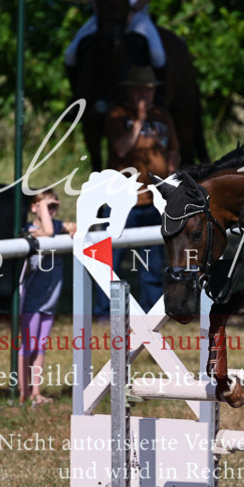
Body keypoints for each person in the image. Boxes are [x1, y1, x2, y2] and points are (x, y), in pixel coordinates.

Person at [95, 64, 179, 314]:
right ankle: (103, 312)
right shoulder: (117, 115)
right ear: (129, 91)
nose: (146, 95)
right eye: (141, 90)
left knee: (152, 262)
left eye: (150, 90)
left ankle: (151, 313)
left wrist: (173, 185)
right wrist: (140, 119)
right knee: (111, 259)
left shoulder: (163, 116)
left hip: (154, 200)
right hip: (121, 201)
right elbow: (121, 148)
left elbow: (172, 151)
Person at [18, 189, 76, 407]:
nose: (51, 210)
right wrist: (44, 210)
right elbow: (49, 231)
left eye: (54, 207)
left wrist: (72, 228)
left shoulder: (56, 227)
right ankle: (22, 391)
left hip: (50, 299)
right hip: (31, 300)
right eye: (46, 206)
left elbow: (76, 227)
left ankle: (36, 391)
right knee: (28, 345)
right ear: (34, 207)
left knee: (40, 346)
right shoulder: (29, 231)